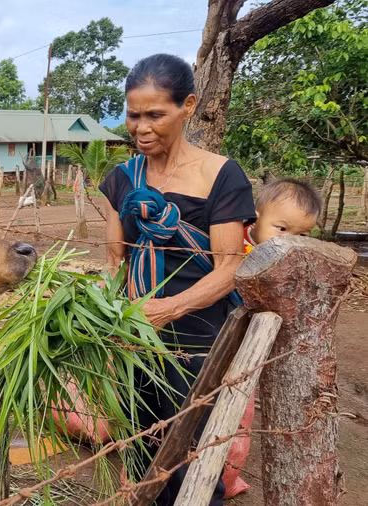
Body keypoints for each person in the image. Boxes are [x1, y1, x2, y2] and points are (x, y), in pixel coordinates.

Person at [98, 53, 256, 505]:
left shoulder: (220, 176)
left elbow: (230, 266)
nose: (141, 127)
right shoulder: (121, 179)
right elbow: (115, 261)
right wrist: (114, 317)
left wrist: (168, 309)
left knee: (192, 449)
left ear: (187, 106)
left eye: (155, 115)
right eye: (133, 115)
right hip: (135, 336)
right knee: (137, 443)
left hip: (199, 336)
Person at [223, 177, 321, 497]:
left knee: (239, 418)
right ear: (255, 217)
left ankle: (224, 480)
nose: (288, 241)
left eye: (302, 235)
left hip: (249, 353)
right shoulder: (229, 240)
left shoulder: (295, 261)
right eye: (281, 229)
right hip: (211, 341)